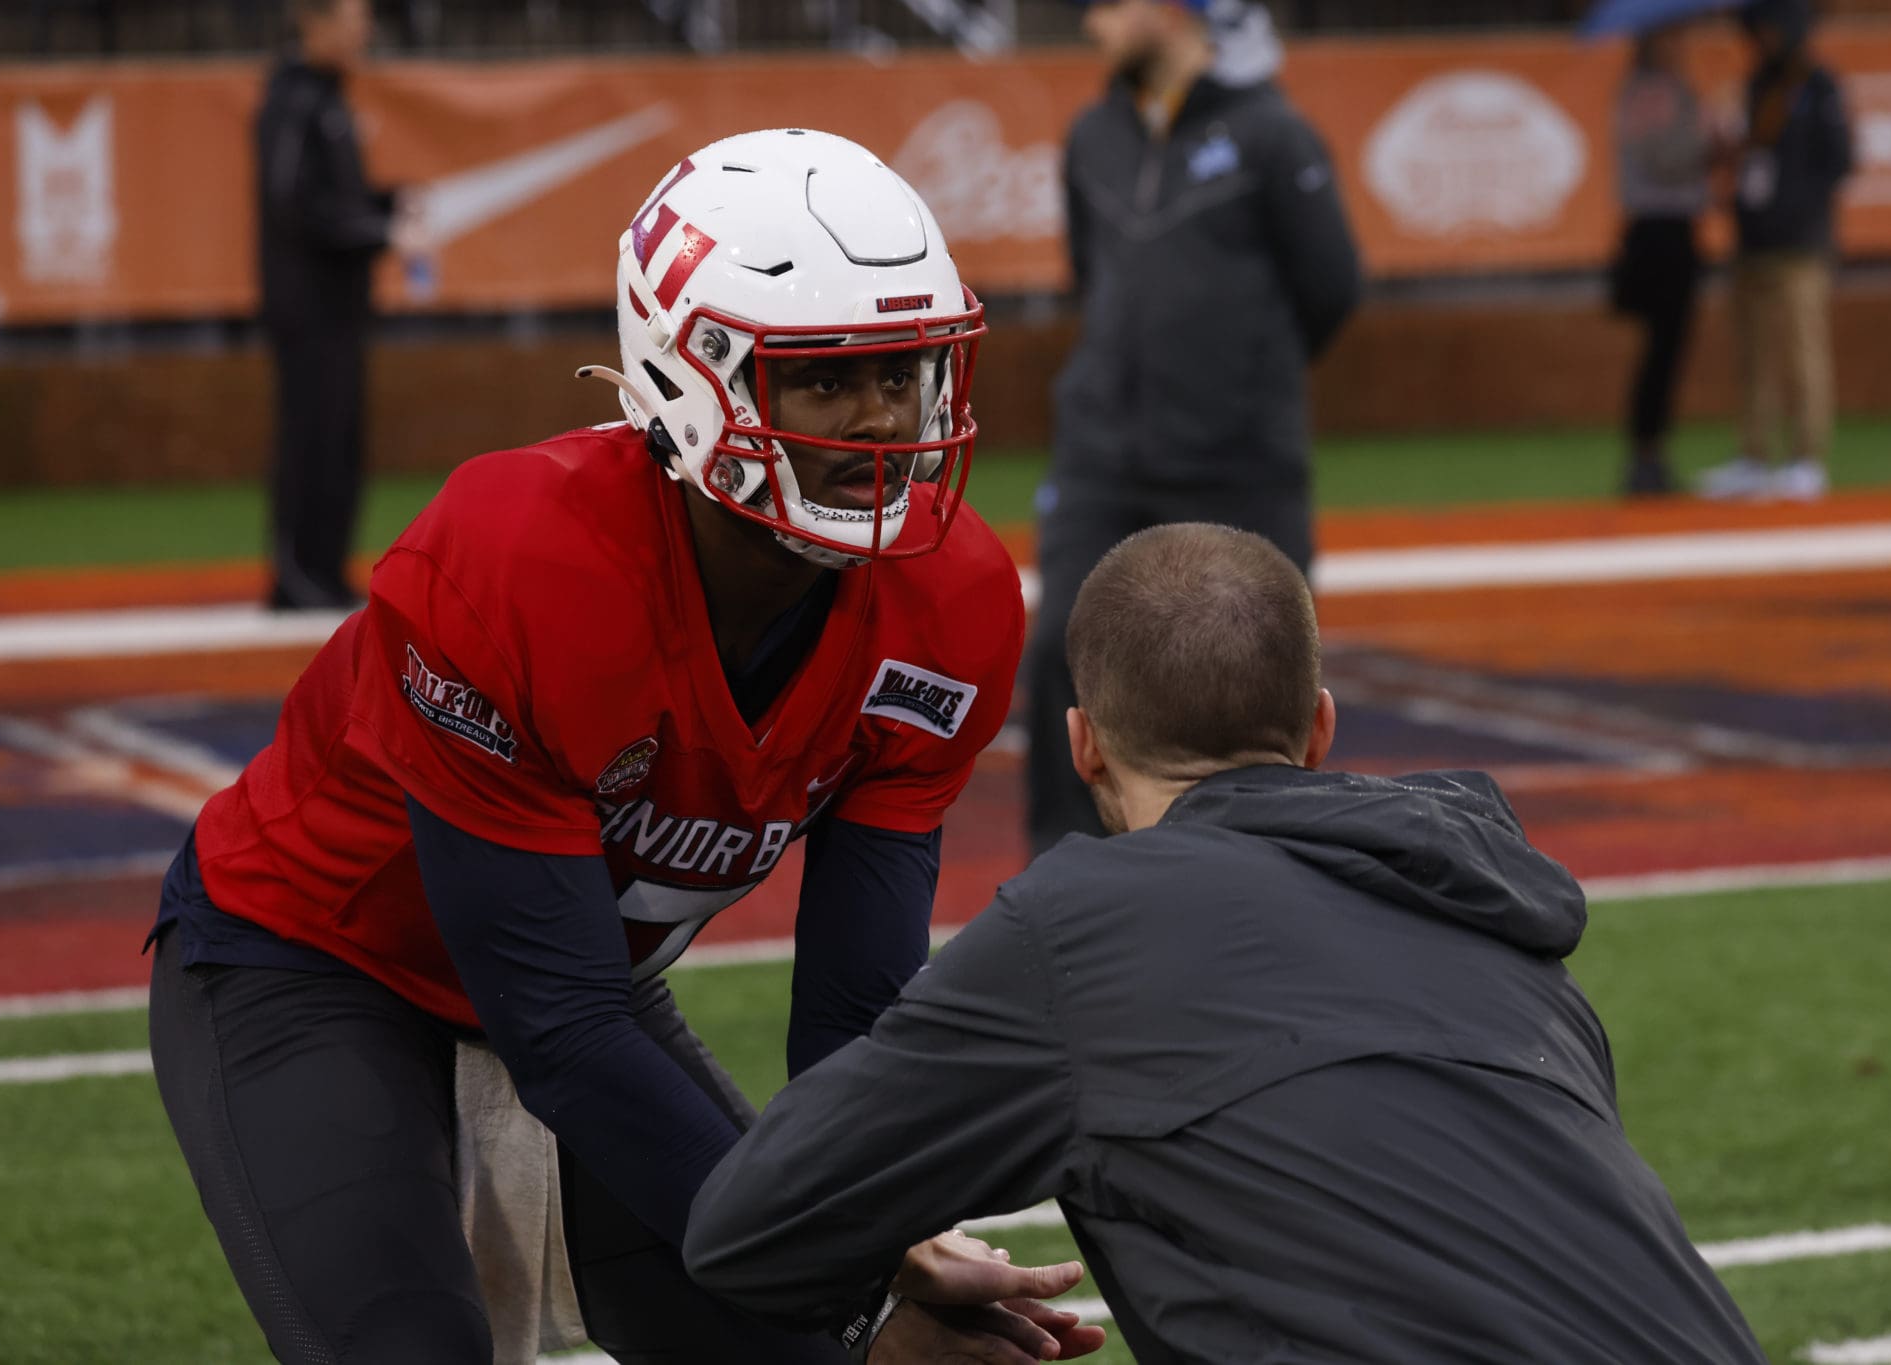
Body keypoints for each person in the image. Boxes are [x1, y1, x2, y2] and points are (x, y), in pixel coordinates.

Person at [147, 128, 1077, 1364]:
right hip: (315, 957)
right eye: (826, 379)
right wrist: (848, 1280)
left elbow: (853, 1014)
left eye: (904, 372)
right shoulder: (520, 559)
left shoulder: (950, 602)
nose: (880, 421)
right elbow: (565, 1032)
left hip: (584, 980)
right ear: (690, 377)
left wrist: (866, 1240)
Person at [685, 522, 1772, 1364]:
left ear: (1082, 748)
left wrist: (893, 1282)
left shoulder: (1078, 933)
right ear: (1317, 730)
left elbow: (745, 1229)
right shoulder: (1498, 926)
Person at [1024, 0, 1361, 857]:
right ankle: (1067, 894)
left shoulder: (1274, 133)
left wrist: (1235, 385)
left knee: (1259, 685)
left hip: (1240, 465)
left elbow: (1332, 288)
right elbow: (1090, 276)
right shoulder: (1092, 135)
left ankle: (1270, 882)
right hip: (1103, 456)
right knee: (1063, 656)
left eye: (1109, 4)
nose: (1091, 20)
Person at [257, 0, 425, 609]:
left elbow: (338, 198)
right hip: (306, 310)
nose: (366, 30)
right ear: (315, 22)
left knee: (341, 444)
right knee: (310, 441)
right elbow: (293, 204)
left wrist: (388, 206)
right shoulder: (293, 102)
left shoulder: (330, 101)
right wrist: (379, 232)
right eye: (354, 19)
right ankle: (297, 576)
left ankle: (325, 572)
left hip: (341, 307)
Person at [1698, 0, 1853, 502]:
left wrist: (1795, 204)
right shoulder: (1752, 86)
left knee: (1803, 353)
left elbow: (1841, 161)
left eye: (1767, 28)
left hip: (1801, 244)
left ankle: (1808, 459)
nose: (1760, 37)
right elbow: (1745, 158)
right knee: (1754, 356)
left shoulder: (1818, 86)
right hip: (1753, 241)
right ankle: (1755, 455)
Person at [1609, 21, 1716, 497]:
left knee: (1664, 351)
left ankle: (1649, 454)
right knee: (1662, 350)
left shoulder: (1642, 90)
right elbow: (1666, 159)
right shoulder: (1656, 92)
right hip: (1662, 231)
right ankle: (1646, 457)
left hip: (1657, 231)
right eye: (1671, 36)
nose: (1679, 45)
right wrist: (1712, 142)